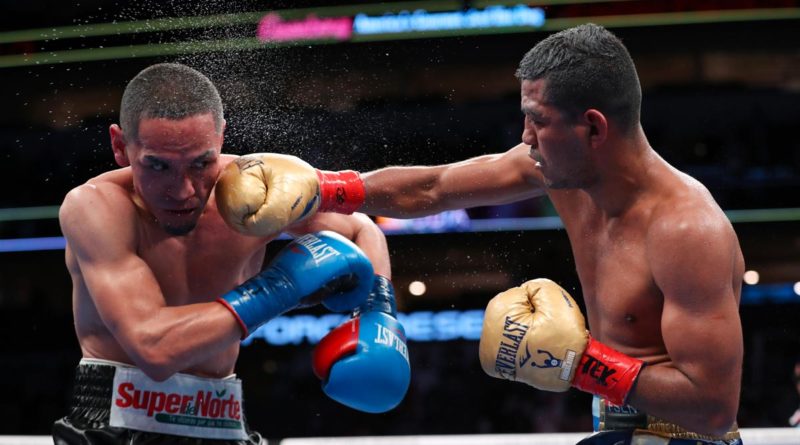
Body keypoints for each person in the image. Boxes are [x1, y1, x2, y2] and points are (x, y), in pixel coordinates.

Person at [253, 23, 745, 444]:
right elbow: (433, 186)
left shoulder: (685, 230)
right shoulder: (557, 171)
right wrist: (324, 189)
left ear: (593, 129)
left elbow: (713, 406)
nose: (526, 137)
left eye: (538, 121)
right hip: (614, 430)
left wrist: (581, 365)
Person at [53, 63, 410, 444]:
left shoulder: (252, 190)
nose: (184, 190)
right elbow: (154, 348)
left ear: (221, 139)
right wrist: (281, 288)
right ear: (121, 146)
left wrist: (378, 309)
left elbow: (360, 228)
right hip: (115, 421)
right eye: (157, 165)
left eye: (201, 163)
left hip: (222, 418)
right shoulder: (96, 208)